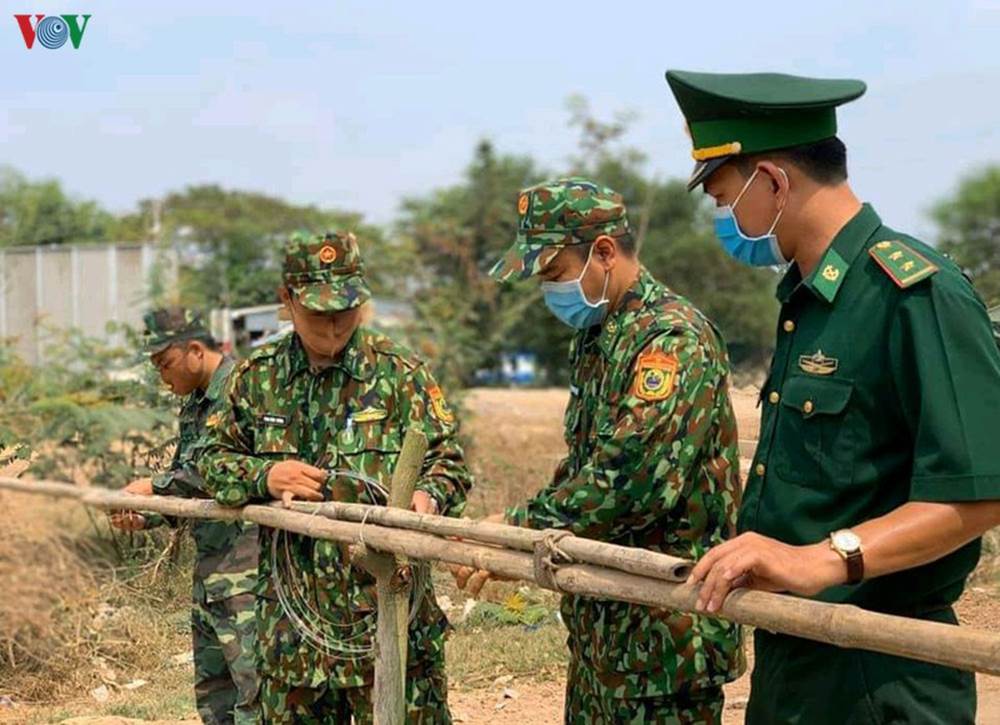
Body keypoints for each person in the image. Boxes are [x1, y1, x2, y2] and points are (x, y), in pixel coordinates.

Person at [665, 69, 1000, 724]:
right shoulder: (809, 301)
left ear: (773, 182)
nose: (725, 220)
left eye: (725, 198)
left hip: (882, 669)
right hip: (797, 657)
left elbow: (980, 489)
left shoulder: (913, 294)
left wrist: (823, 558)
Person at [456, 177, 744, 724]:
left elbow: (631, 481)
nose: (549, 290)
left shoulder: (668, 340)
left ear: (604, 252)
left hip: (665, 643)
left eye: (554, 273)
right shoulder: (598, 336)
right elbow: (583, 465)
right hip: (603, 632)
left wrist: (518, 529)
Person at [198, 230, 473, 723]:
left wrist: (430, 496)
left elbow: (449, 460)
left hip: (390, 621)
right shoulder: (256, 378)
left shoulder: (400, 373)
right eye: (318, 312)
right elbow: (211, 462)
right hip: (294, 637)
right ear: (286, 300)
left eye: (345, 311)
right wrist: (265, 474)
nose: (332, 326)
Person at [112, 307, 260, 725]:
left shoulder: (243, 390)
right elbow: (188, 484)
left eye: (166, 363)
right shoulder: (195, 403)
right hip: (211, 570)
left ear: (195, 350)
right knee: (215, 696)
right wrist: (150, 516)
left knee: (255, 692)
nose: (162, 377)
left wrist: (152, 488)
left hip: (249, 573)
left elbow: (227, 472)